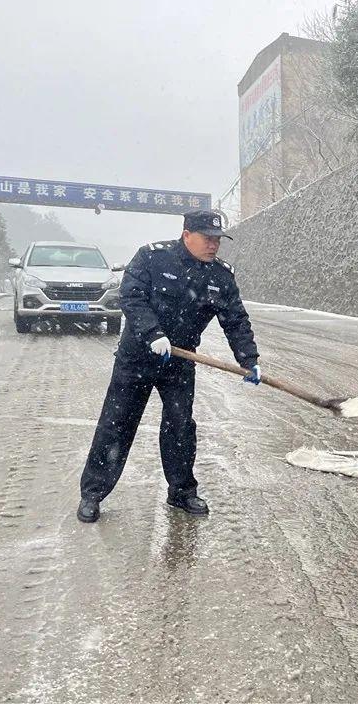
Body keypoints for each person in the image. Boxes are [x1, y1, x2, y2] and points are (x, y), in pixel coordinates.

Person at [77, 210, 261, 522]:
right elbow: (132, 298)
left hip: (180, 361)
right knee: (117, 423)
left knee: (180, 426)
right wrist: (153, 333)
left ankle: (181, 492)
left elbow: (236, 320)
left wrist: (249, 360)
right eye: (207, 238)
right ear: (186, 234)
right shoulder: (152, 258)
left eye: (217, 239)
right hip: (137, 357)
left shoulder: (220, 276)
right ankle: (92, 494)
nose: (213, 245)